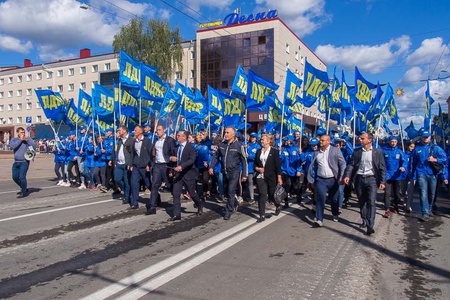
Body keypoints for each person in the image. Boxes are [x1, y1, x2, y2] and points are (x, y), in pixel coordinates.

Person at [343, 132, 386, 235]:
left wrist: (383, 181)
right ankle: (364, 219)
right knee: (362, 201)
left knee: (371, 202)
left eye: (362, 138)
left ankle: (370, 225)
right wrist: (347, 175)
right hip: (359, 179)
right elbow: (351, 165)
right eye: (360, 138)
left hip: (372, 179)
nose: (360, 140)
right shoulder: (357, 152)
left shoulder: (378, 152)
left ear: (369, 140)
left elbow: (382, 168)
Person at [209, 126, 248, 220]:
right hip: (224, 171)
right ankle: (234, 202)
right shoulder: (222, 145)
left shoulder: (239, 145)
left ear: (233, 134)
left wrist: (244, 175)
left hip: (234, 171)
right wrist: (211, 166)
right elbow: (215, 156)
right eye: (225, 132)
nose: (225, 134)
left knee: (231, 190)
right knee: (227, 191)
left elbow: (244, 160)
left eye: (227, 133)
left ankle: (228, 211)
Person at [307, 135, 346, 227]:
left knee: (334, 199)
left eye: (322, 140)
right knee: (320, 198)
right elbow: (314, 167)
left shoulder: (335, 151)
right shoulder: (317, 153)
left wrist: (341, 176)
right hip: (321, 179)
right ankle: (319, 219)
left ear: (328, 141)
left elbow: (342, 163)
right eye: (320, 140)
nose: (320, 142)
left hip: (333, 179)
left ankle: (335, 213)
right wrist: (313, 180)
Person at [410, 130, 447, 221]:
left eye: (427, 137)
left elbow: (444, 159)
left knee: (432, 194)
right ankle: (425, 213)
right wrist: (412, 176)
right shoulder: (417, 149)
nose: (425, 138)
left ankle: (429, 208)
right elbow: (413, 164)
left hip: (432, 174)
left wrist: (435, 160)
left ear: (430, 137)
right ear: (421, 137)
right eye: (424, 137)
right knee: (423, 193)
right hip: (421, 173)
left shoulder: (436, 148)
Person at [168, 130, 203, 221]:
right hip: (178, 175)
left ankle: (199, 204)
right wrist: (171, 160)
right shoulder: (176, 147)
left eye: (179, 135)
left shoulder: (190, 148)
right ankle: (177, 214)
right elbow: (171, 157)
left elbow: (191, 160)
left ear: (184, 137)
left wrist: (181, 166)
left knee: (192, 193)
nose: (177, 137)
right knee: (176, 193)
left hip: (188, 174)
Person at [254, 133, 283, 222]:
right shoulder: (259, 151)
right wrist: (258, 169)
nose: (261, 141)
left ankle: (278, 205)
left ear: (269, 141)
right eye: (261, 139)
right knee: (262, 194)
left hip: (271, 176)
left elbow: (277, 166)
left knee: (271, 194)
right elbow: (255, 164)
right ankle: (262, 215)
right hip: (260, 176)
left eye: (263, 139)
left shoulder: (274, 152)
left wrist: (279, 177)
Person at [148, 124, 177, 212]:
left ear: (164, 130)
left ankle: (176, 203)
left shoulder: (169, 140)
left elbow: (173, 152)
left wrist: (172, 166)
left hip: (166, 165)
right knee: (154, 185)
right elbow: (152, 153)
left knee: (169, 185)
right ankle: (152, 206)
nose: (158, 132)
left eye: (160, 130)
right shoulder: (156, 141)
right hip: (157, 165)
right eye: (157, 130)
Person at [130, 126, 153, 210]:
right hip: (136, 166)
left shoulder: (147, 141)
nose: (134, 131)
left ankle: (156, 197)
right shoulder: (134, 141)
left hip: (145, 166)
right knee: (134, 183)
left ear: (140, 131)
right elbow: (133, 153)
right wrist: (131, 164)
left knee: (148, 183)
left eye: (135, 130)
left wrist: (149, 164)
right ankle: (135, 203)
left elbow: (151, 153)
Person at [10, 127, 36, 198]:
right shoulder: (14, 140)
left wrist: (27, 141)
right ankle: (24, 187)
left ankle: (23, 191)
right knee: (15, 177)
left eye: (23, 132)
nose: (23, 134)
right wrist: (20, 140)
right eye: (21, 132)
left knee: (22, 177)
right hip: (16, 161)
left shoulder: (27, 139)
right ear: (18, 133)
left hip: (24, 161)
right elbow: (12, 146)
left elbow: (34, 146)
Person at [114, 125, 134, 204]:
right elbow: (118, 151)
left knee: (126, 180)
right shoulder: (119, 140)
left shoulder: (131, 140)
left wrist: (131, 163)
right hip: (119, 163)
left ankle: (127, 196)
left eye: (120, 130)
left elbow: (132, 152)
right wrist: (115, 161)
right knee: (117, 179)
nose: (119, 132)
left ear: (125, 131)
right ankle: (126, 190)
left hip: (126, 163)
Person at [245, 132, 261, 204]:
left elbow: (258, 156)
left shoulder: (258, 146)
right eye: (251, 137)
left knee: (258, 182)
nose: (252, 138)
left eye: (254, 137)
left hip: (256, 166)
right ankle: (252, 198)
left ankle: (261, 195)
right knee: (250, 182)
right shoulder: (247, 145)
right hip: (249, 167)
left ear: (256, 138)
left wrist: (249, 156)